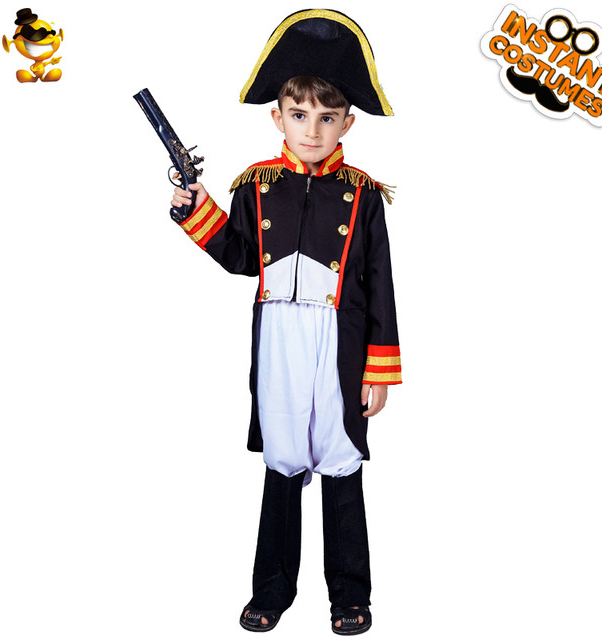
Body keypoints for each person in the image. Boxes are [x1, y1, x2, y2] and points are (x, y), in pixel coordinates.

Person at [169, 10, 401, 635]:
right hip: (279, 339)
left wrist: (378, 369)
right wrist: (197, 212)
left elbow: (379, 282)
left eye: (327, 117)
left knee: (341, 465)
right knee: (282, 463)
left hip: (340, 341)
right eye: (299, 115)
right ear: (278, 117)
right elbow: (243, 258)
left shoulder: (365, 193)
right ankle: (271, 591)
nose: (312, 130)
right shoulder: (256, 184)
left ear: (348, 122)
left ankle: (350, 595)